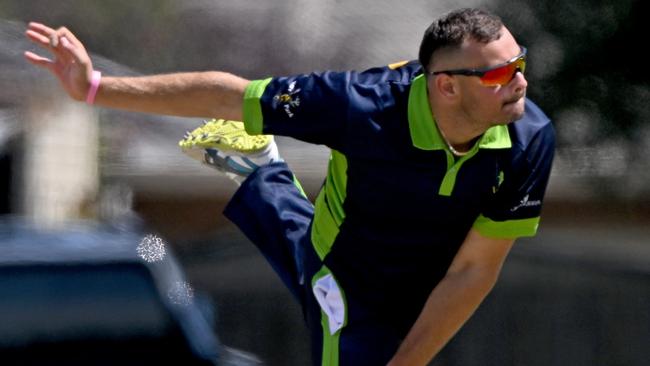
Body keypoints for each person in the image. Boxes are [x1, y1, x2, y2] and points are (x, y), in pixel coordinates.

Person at [24, 8, 555, 365]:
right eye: (498, 74)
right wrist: (95, 88)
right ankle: (262, 168)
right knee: (321, 282)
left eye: (520, 64)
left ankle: (262, 169)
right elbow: (230, 98)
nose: (520, 83)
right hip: (348, 282)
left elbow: (473, 270)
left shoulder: (530, 138)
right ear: (445, 85)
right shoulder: (360, 104)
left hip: (425, 289)